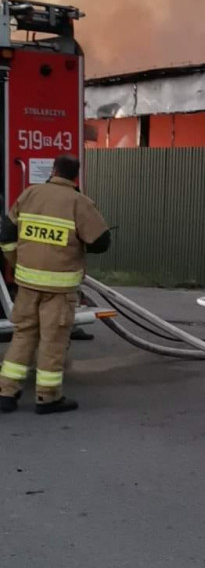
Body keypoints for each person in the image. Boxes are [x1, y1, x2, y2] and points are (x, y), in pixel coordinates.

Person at [0, 154, 111, 415]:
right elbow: (101, 242)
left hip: (26, 284)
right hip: (59, 290)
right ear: (75, 176)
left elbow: (6, 233)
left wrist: (16, 261)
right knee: (53, 341)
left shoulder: (29, 194)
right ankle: (47, 398)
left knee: (23, 335)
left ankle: (6, 393)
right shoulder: (80, 203)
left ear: (52, 170)